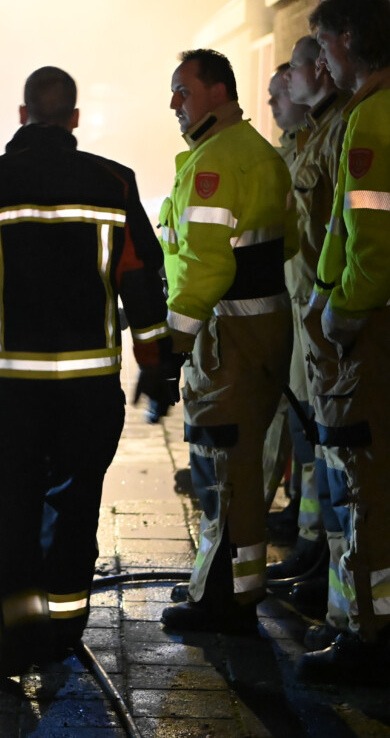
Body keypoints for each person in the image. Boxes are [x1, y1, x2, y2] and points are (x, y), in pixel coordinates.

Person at [0, 66, 178, 679]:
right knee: (76, 507)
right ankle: (65, 633)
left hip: (10, 393)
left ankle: (17, 644)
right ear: (74, 119)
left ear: (22, 116)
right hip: (89, 393)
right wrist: (156, 365)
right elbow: (142, 282)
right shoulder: (114, 183)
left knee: (11, 513)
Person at [297, 0, 390, 681]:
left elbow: (377, 245)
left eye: (325, 44)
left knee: (367, 479)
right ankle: (364, 621)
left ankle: (372, 637)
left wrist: (339, 314)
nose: (321, 62)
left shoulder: (374, 120)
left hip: (375, 327)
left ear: (350, 38)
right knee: (371, 472)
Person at [157, 49, 294, 634]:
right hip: (260, 331)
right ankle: (226, 584)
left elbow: (205, 266)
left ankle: (224, 601)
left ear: (218, 92)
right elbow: (285, 244)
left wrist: (173, 344)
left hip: (227, 338)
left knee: (223, 471)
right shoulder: (258, 152)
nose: (173, 103)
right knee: (240, 466)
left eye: (183, 91)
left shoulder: (215, 161)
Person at [266, 36, 350, 598]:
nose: (284, 90)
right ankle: (313, 545)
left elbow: (340, 233)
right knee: (308, 431)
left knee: (326, 438)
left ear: (317, 68)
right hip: (305, 306)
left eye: (291, 74)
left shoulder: (339, 131)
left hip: (327, 311)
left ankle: (324, 558)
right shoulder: (312, 135)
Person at [260, 62, 309, 534]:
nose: (273, 100)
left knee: (303, 420)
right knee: (293, 416)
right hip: (291, 298)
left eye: (281, 91)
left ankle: (307, 528)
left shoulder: (316, 149)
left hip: (310, 303)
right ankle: (296, 512)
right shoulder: (282, 156)